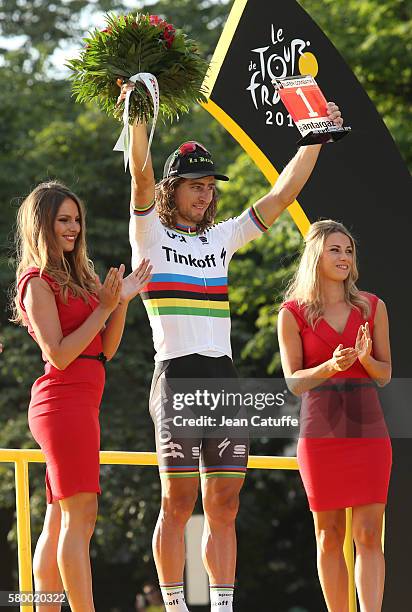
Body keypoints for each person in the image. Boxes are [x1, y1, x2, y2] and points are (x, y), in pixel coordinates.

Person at [118, 81, 343, 612]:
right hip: (174, 375)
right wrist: (140, 116)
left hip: (222, 376)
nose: (204, 194)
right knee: (177, 502)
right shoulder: (148, 232)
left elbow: (282, 196)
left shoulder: (220, 239)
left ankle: (221, 606)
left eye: (209, 186)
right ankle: (174, 604)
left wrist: (314, 136)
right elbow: (140, 172)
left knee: (224, 501)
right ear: (173, 189)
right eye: (193, 185)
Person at [11, 181, 151, 612]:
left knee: (59, 518)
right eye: (63, 220)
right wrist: (105, 307)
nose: (73, 228)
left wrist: (121, 300)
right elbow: (59, 353)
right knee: (81, 515)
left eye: (76, 220)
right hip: (61, 402)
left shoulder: (84, 277)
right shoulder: (35, 282)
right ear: (42, 225)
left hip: (83, 402)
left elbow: (105, 350)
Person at [277, 220, 392, 612]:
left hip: (369, 432)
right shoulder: (291, 313)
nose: (344, 258)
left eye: (348, 251)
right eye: (335, 250)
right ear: (316, 256)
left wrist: (363, 359)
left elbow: (385, 374)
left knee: (368, 535)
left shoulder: (372, 306)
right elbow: (293, 381)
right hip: (320, 433)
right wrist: (328, 367)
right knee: (328, 536)